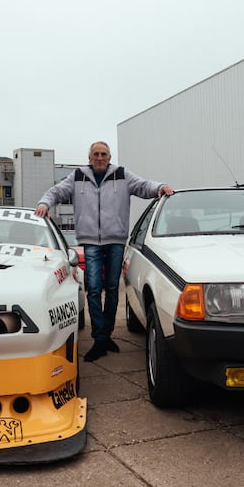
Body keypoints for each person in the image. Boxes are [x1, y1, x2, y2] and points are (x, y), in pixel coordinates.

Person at [35, 141, 173, 361]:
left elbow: (143, 186)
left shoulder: (122, 175)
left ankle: (106, 334)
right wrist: (44, 203)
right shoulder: (77, 176)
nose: (100, 157)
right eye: (96, 154)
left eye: (104, 154)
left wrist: (160, 187)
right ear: (89, 158)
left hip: (116, 240)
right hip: (90, 242)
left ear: (109, 157)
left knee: (111, 288)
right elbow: (56, 191)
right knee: (94, 288)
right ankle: (99, 338)